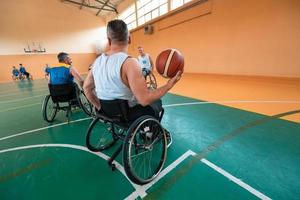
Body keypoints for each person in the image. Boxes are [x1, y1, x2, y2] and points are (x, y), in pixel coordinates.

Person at [83, 19, 182, 128]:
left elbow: (86, 88)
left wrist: (100, 107)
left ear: (109, 41)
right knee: (156, 102)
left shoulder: (97, 62)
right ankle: (149, 133)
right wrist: (169, 85)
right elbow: (144, 100)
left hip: (107, 112)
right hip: (127, 115)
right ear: (129, 39)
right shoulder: (130, 63)